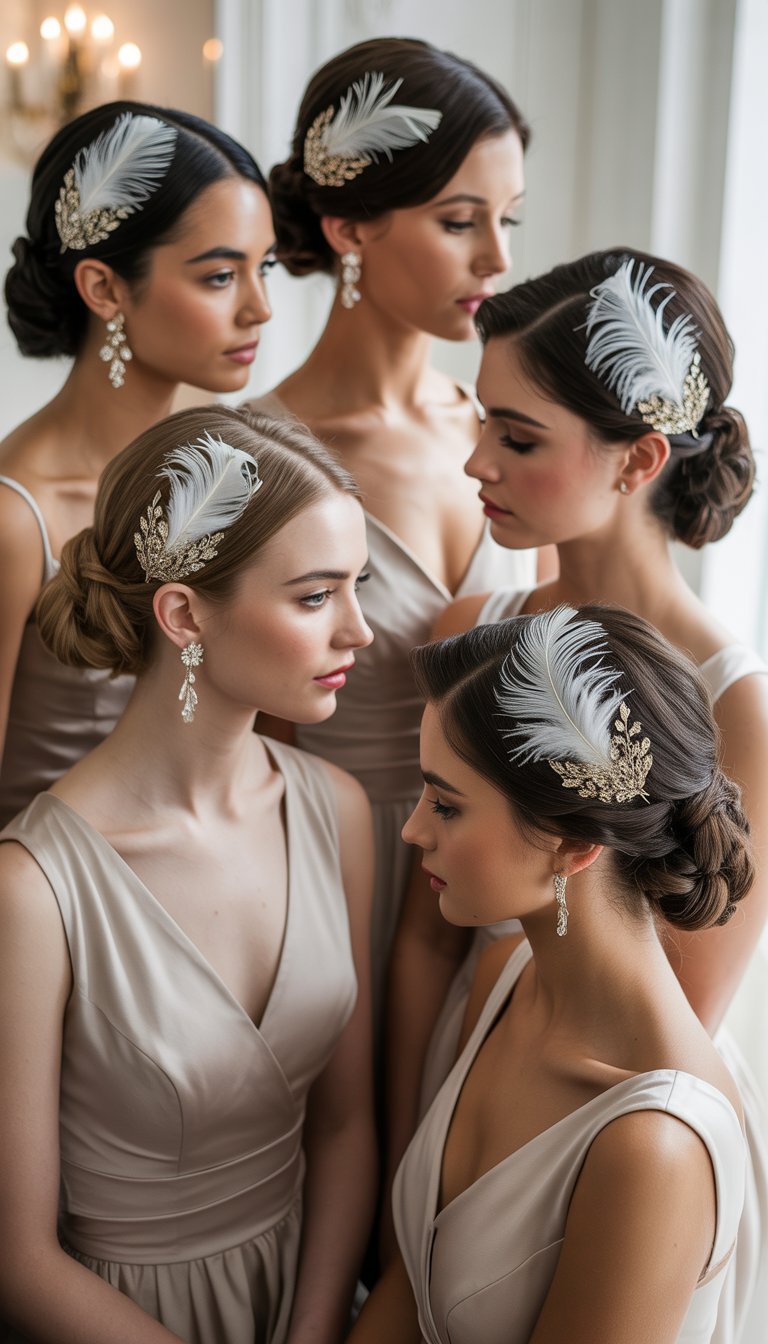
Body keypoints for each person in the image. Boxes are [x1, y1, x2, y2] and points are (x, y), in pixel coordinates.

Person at [391, 249, 768, 1337]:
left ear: (638, 457)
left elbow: (679, 989)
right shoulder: (470, 634)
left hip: (598, 1106)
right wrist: (407, 1138)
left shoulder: (734, 702)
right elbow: (420, 942)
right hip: (465, 1064)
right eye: (479, 424)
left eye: (516, 438)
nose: (473, 465)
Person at [0, 405, 376, 1344]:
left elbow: (343, 1128)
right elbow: (18, 1261)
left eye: (357, 586)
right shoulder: (33, 891)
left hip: (306, 1295)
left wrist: (315, 1328)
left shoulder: (338, 813)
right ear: (184, 613)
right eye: (316, 596)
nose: (361, 632)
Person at [351, 606, 752, 1344]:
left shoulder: (653, 1149)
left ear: (572, 843)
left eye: (446, 804)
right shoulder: (505, 980)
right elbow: (412, 1286)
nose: (412, 830)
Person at [247, 37, 541, 1027]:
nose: (498, 259)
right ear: (348, 227)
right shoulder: (260, 459)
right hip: (338, 891)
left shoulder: (505, 437)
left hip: (502, 898)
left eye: (508, 220)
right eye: (461, 222)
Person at [0, 100, 274, 825]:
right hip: (62, 908)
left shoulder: (246, 467)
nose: (261, 309)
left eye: (264, 268)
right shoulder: (16, 516)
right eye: (220, 276)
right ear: (104, 288)